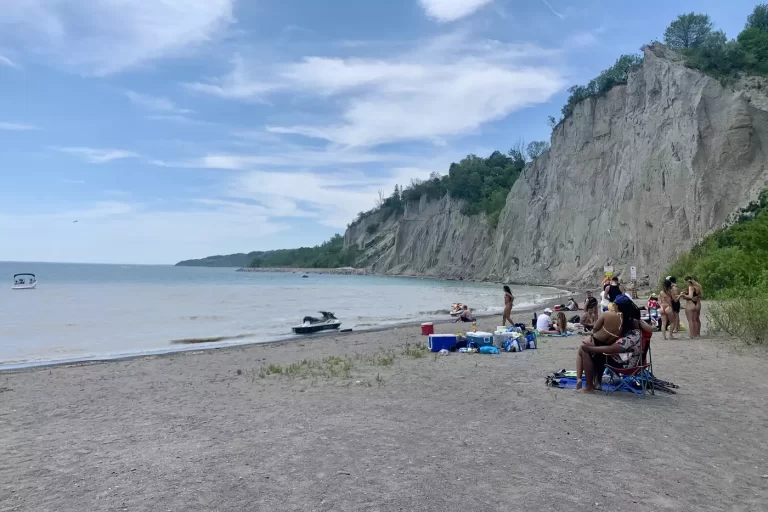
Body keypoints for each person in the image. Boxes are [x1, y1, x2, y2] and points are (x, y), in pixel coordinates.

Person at [579, 295, 655, 392]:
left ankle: (589, 387)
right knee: (598, 350)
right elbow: (649, 329)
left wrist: (590, 348)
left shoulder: (633, 335)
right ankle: (596, 382)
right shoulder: (634, 330)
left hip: (625, 364)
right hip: (633, 360)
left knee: (590, 351)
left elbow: (612, 349)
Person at [575, 308, 622, 390]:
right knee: (602, 357)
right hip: (612, 350)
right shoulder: (625, 319)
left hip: (599, 343)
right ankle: (597, 382)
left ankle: (579, 379)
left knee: (582, 350)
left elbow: (595, 329)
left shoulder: (606, 314)